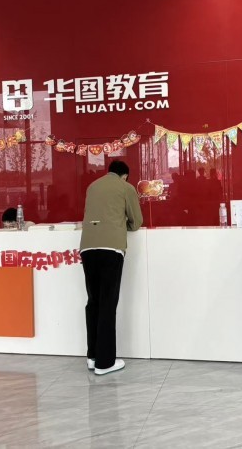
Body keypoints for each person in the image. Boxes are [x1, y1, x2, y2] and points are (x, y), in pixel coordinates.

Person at [80, 160, 143, 375]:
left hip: (87, 248)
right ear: (125, 175)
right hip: (111, 249)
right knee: (108, 303)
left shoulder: (92, 186)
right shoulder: (126, 187)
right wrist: (121, 223)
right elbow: (136, 221)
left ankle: (92, 356)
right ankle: (105, 362)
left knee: (94, 302)